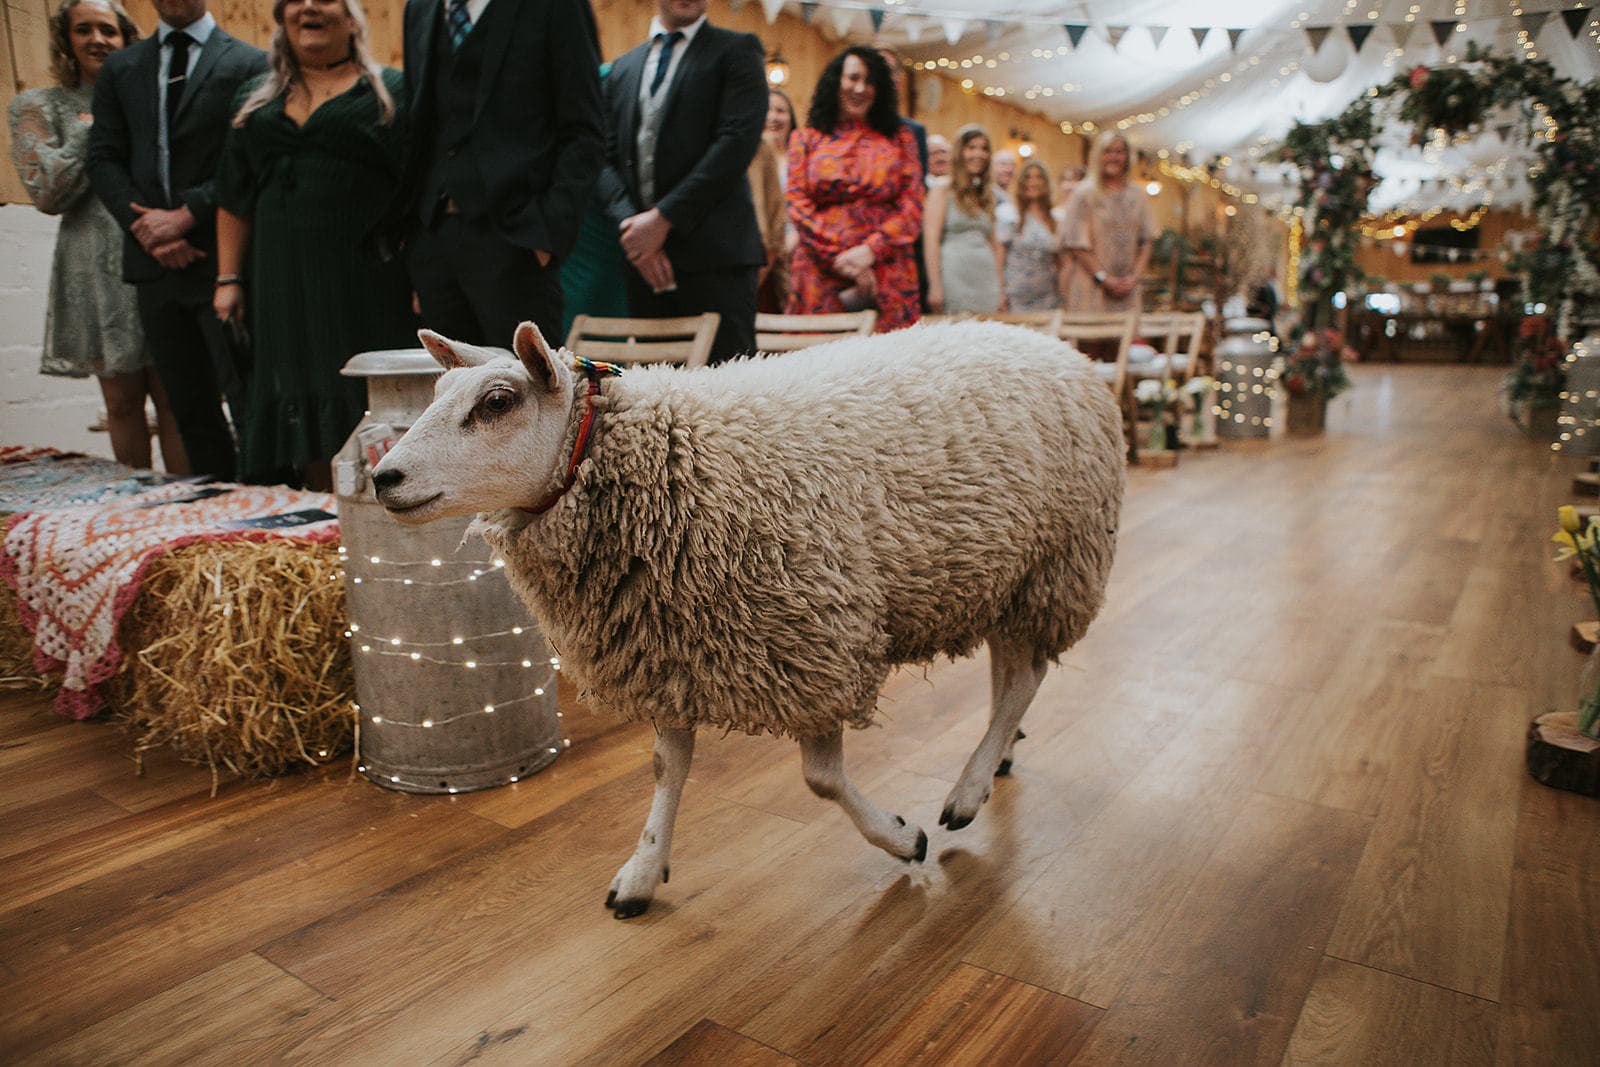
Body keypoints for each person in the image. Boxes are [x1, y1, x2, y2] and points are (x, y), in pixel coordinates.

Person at [213, 0, 415, 490]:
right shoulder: (254, 100)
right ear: (282, 19)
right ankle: (322, 510)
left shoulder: (391, 92)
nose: (308, 7)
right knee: (296, 385)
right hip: (278, 277)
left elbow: (417, 190)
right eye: (295, 1)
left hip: (363, 276)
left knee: (359, 390)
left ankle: (380, 508)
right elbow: (233, 198)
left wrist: (422, 277)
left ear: (352, 17)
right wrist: (228, 278)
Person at [87, 0, 267, 480]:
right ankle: (216, 504)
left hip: (224, 257)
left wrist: (187, 215)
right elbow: (103, 157)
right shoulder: (122, 68)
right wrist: (147, 229)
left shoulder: (249, 62)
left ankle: (269, 500)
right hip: (154, 265)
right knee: (187, 404)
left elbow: (247, 158)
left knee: (247, 398)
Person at [9, 0, 184, 473]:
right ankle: (137, 497)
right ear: (65, 41)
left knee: (175, 395)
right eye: (83, 30)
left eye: (108, 30)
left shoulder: (152, 100)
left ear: (127, 38)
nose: (98, 40)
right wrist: (91, 131)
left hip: (159, 252)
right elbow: (47, 194)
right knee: (122, 401)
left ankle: (186, 500)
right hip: (93, 264)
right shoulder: (38, 105)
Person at [397, 0, 604, 347]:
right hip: (435, 242)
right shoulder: (420, 8)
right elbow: (418, 126)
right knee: (449, 380)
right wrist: (417, 241)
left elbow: (585, 132)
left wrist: (546, 233)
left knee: (529, 379)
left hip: (517, 241)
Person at [598, 0, 766, 365]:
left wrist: (663, 219)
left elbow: (736, 143)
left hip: (716, 258)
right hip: (644, 264)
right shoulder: (623, 68)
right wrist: (633, 231)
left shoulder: (737, 50)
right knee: (654, 388)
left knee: (730, 387)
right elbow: (602, 156)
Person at [786, 46, 922, 332]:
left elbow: (912, 206)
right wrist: (842, 256)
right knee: (818, 353)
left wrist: (870, 251)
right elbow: (797, 204)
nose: (860, 88)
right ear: (836, 80)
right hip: (820, 267)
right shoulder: (805, 138)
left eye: (870, 81)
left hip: (887, 267)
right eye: (853, 78)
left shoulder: (901, 138)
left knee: (891, 354)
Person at [1060, 131, 1155, 313]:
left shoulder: (1138, 195)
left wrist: (1134, 277)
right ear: (1098, 155)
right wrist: (1103, 278)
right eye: (1108, 151)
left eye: (1119, 152)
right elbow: (1076, 244)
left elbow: (1146, 241)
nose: (1114, 157)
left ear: (1127, 157)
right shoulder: (1084, 193)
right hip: (1091, 287)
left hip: (1127, 290)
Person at [925, 124, 1002, 315]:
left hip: (986, 277)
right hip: (954, 275)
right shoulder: (942, 189)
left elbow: (996, 245)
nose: (978, 154)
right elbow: (931, 239)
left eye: (984, 149)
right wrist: (935, 285)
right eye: (971, 147)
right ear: (960, 152)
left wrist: (1000, 288)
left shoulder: (987, 195)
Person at [756, 87, 796, 313]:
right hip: (759, 253)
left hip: (792, 252)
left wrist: (787, 245)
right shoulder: (748, 161)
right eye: (767, 109)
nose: (772, 117)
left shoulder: (799, 160)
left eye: (781, 111)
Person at [999, 161, 1060, 312]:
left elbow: (1059, 261)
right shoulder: (1009, 214)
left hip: (1047, 294)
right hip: (1016, 294)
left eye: (1038, 177)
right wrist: (1000, 292)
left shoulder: (1054, 219)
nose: (1033, 182)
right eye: (1028, 177)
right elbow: (999, 257)